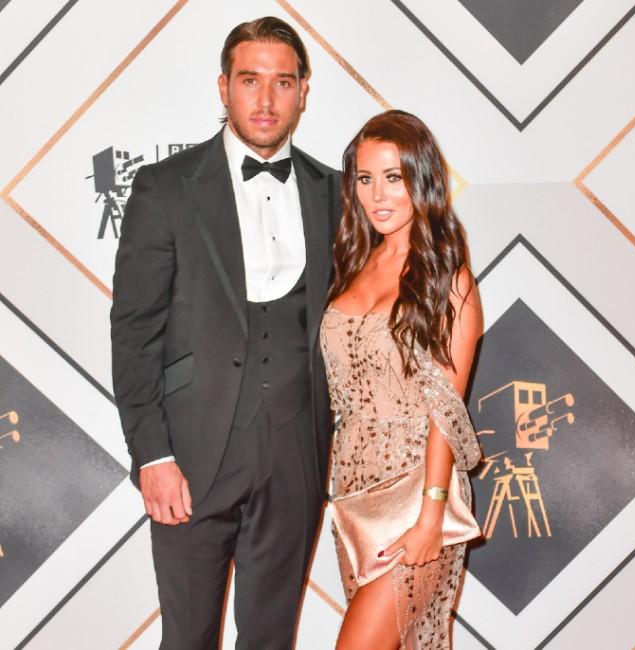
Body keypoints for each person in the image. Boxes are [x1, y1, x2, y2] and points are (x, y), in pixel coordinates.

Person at [111, 17, 340, 649]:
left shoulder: (336, 193)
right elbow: (133, 332)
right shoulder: (165, 188)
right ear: (223, 87)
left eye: (282, 82)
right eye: (249, 80)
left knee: (271, 639)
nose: (266, 100)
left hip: (295, 457)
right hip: (187, 459)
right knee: (188, 638)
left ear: (303, 91)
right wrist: (152, 456)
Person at [320, 109, 482, 649]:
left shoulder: (448, 280)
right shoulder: (352, 263)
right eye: (365, 178)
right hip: (353, 495)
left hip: (416, 494)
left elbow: (446, 411)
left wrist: (432, 515)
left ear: (422, 179)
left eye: (394, 177)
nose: (377, 195)